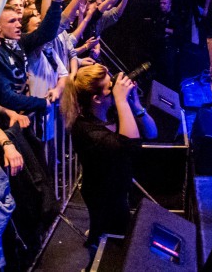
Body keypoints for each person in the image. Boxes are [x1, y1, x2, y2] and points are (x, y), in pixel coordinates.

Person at [62, 64, 156, 261]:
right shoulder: (87, 130)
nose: (115, 89)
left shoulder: (112, 112)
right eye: (109, 87)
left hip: (118, 187)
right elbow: (131, 146)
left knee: (105, 228)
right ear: (96, 99)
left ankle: (96, 239)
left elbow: (151, 133)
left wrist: (135, 105)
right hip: (103, 194)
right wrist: (121, 101)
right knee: (114, 239)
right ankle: (95, 254)